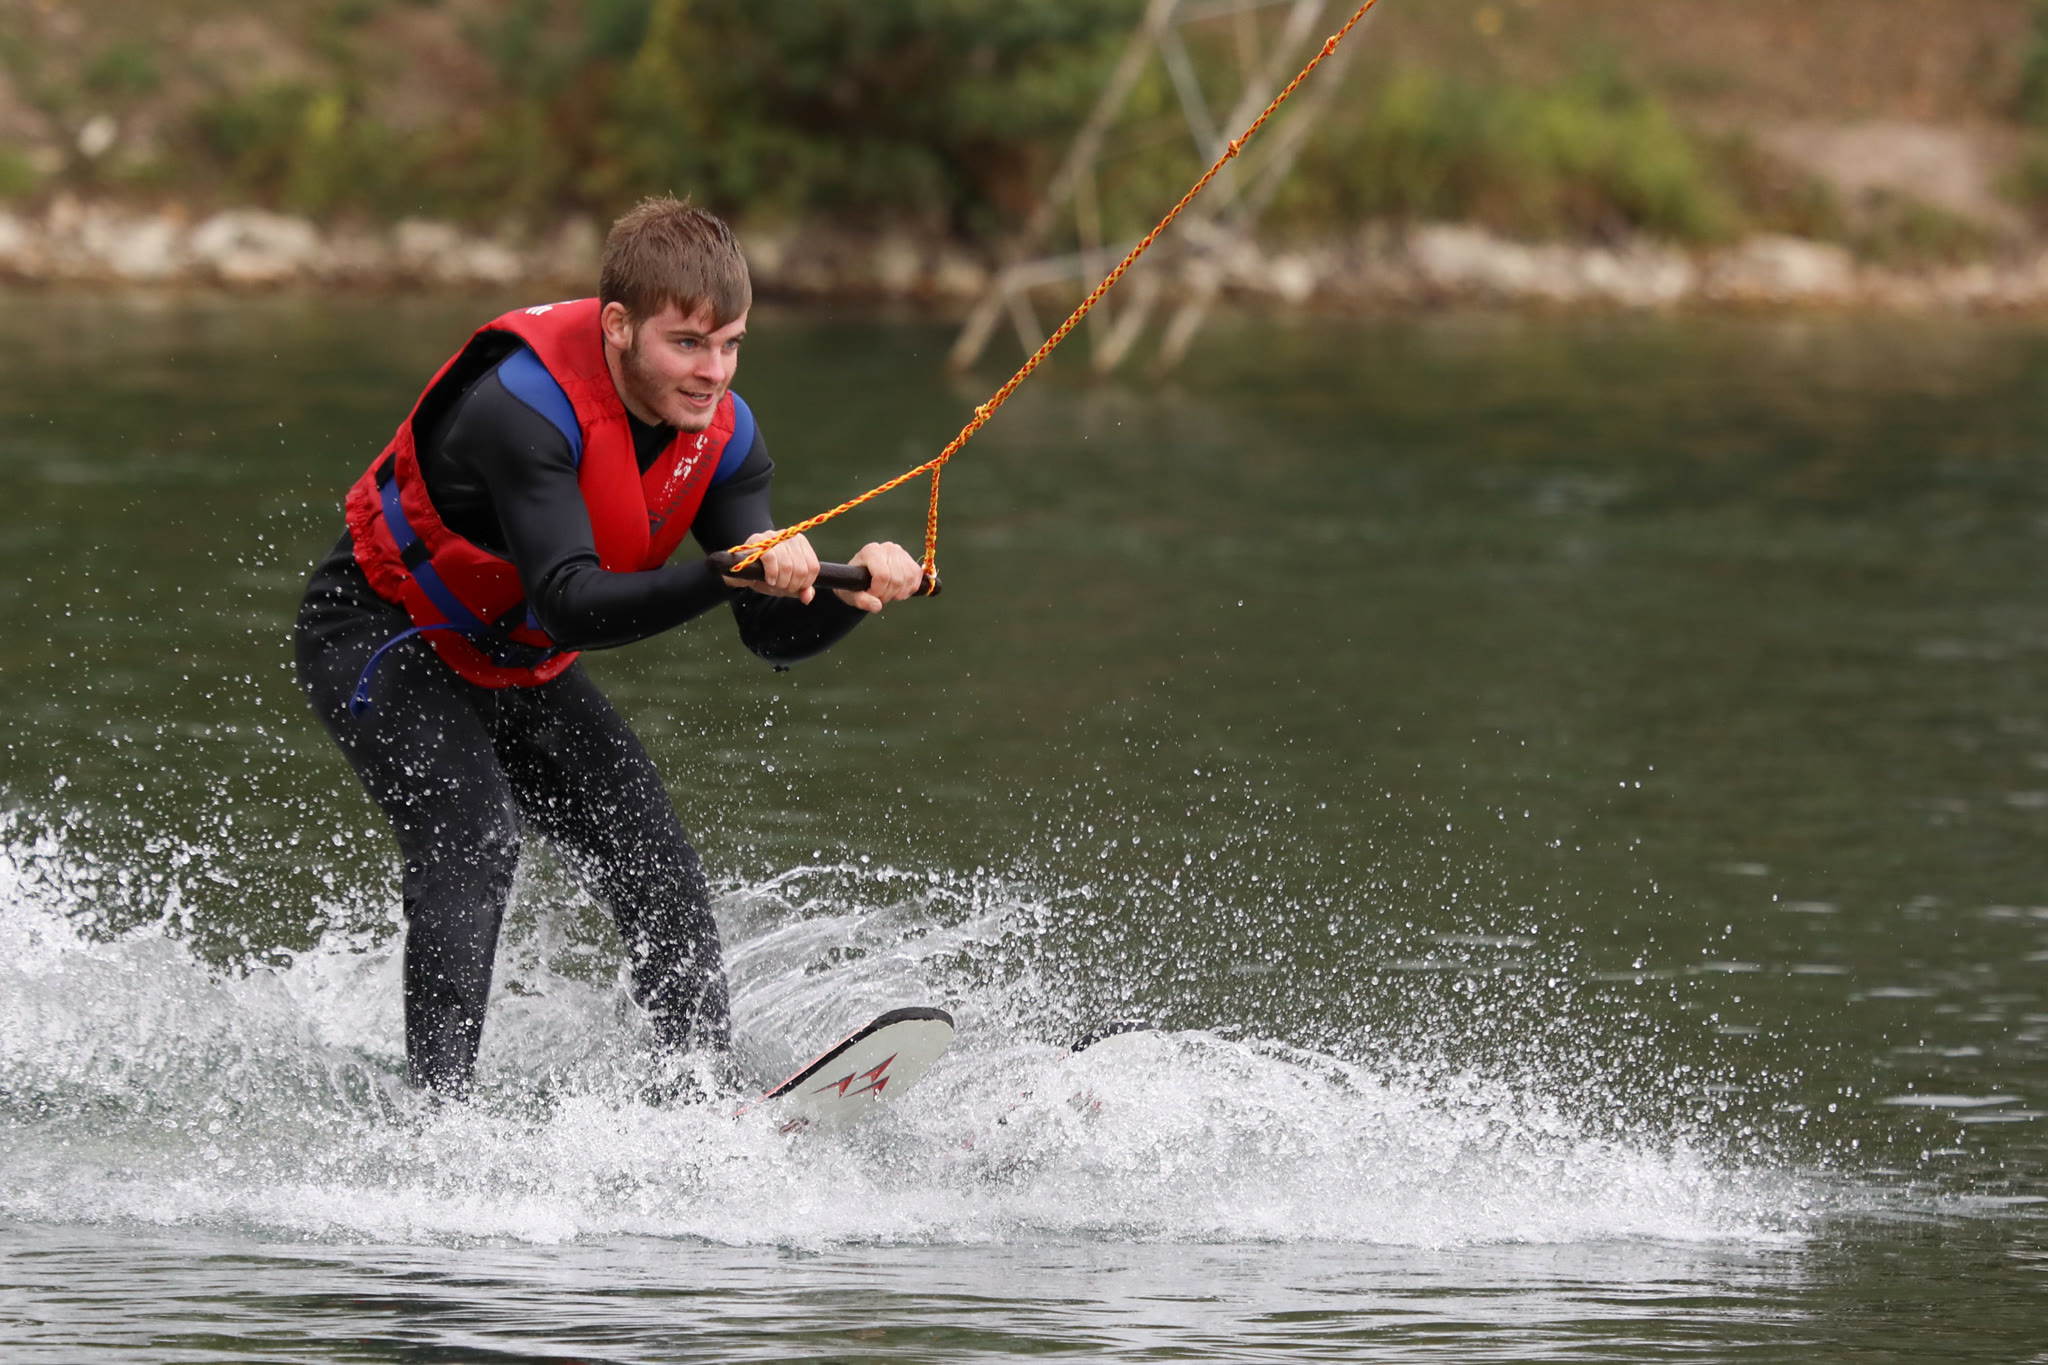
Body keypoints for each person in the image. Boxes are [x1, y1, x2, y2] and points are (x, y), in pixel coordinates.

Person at [294, 195, 925, 1099]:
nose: (713, 373)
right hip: (380, 633)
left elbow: (769, 635)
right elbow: (570, 606)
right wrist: (726, 573)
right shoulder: (523, 407)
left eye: (731, 345)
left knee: (657, 862)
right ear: (620, 326)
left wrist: (852, 595)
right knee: (474, 836)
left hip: (518, 664)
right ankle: (439, 1124)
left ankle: (699, 1099)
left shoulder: (726, 438)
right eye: (688, 343)